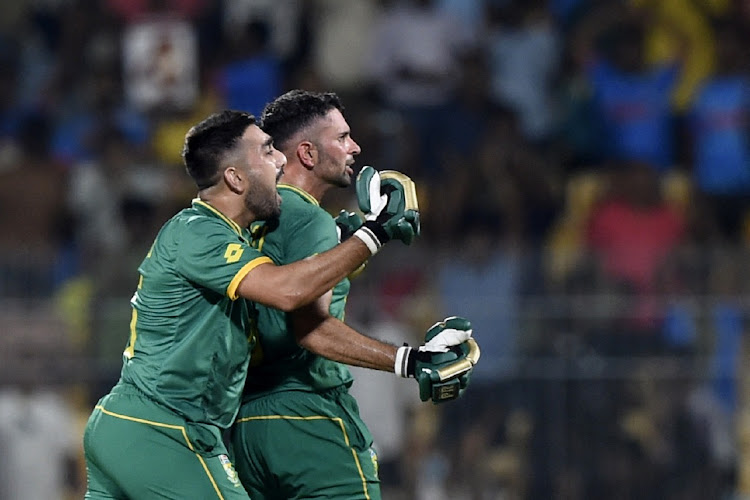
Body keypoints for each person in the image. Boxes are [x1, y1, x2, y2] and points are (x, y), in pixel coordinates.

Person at [82, 109, 420, 499]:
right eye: (266, 152)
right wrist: (372, 235)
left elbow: (294, 280)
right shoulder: (199, 231)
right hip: (163, 430)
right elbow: (288, 291)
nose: (280, 160)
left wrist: (338, 239)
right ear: (235, 177)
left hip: (135, 425)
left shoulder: (227, 239)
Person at [229, 90, 476, 500]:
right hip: (308, 420)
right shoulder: (309, 218)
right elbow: (309, 329)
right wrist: (410, 360)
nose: (354, 147)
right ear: (306, 153)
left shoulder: (243, 219)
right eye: (341, 137)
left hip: (245, 424)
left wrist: (343, 246)